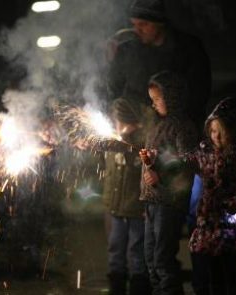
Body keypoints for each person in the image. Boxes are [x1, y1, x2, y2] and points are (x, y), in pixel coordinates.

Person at [184, 97, 236, 295]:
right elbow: (185, 161)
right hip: (209, 221)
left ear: (234, 131)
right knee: (213, 271)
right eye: (213, 131)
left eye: (222, 132)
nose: (216, 137)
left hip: (231, 222)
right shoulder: (205, 153)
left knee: (230, 268)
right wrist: (159, 157)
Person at [107, 0, 211, 131]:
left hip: (173, 126)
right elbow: (112, 88)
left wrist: (168, 123)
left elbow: (199, 93)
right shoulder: (126, 50)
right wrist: (115, 112)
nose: (137, 30)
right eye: (134, 24)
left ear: (160, 24)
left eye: (143, 24)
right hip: (133, 124)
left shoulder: (188, 49)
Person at [139, 71, 197, 295]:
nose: (153, 105)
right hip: (152, 201)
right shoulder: (157, 125)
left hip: (169, 203)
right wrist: (149, 161)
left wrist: (160, 174)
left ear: (172, 97)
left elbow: (187, 161)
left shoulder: (182, 127)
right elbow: (163, 156)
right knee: (151, 260)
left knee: (163, 261)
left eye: (157, 99)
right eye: (151, 100)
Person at [102, 98, 150, 295]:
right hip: (115, 206)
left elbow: (138, 164)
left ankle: (139, 285)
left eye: (121, 122)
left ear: (132, 122)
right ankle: (117, 285)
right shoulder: (111, 141)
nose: (117, 127)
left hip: (136, 208)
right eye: (115, 122)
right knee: (115, 248)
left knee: (136, 250)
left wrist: (127, 143)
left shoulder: (141, 142)